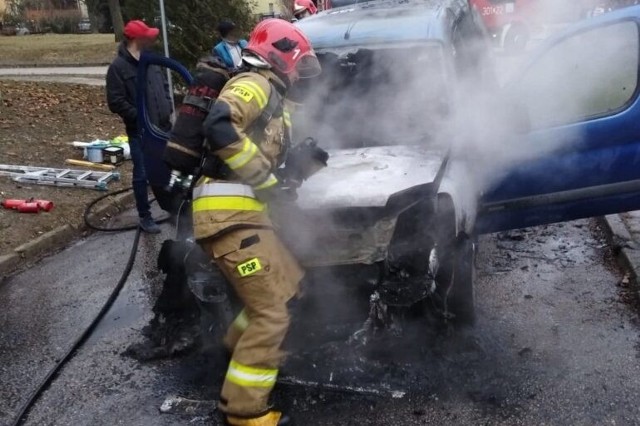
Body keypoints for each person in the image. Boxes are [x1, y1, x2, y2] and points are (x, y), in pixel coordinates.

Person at [194, 19, 324, 426]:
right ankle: (246, 412)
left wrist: (296, 169)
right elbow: (219, 124)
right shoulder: (254, 83)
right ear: (281, 56)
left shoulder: (275, 101)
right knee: (272, 314)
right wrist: (266, 180)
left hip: (246, 218)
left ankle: (236, 350)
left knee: (285, 289)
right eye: (297, 65)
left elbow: (262, 158)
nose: (298, 76)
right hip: (230, 218)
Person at [106, 19, 173, 234]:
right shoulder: (118, 67)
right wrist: (140, 118)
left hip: (163, 127)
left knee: (170, 167)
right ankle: (145, 216)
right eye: (147, 36)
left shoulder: (150, 61)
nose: (152, 39)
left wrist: (168, 105)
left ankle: (173, 206)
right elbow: (115, 101)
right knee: (142, 174)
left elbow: (163, 85)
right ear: (136, 38)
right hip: (140, 132)